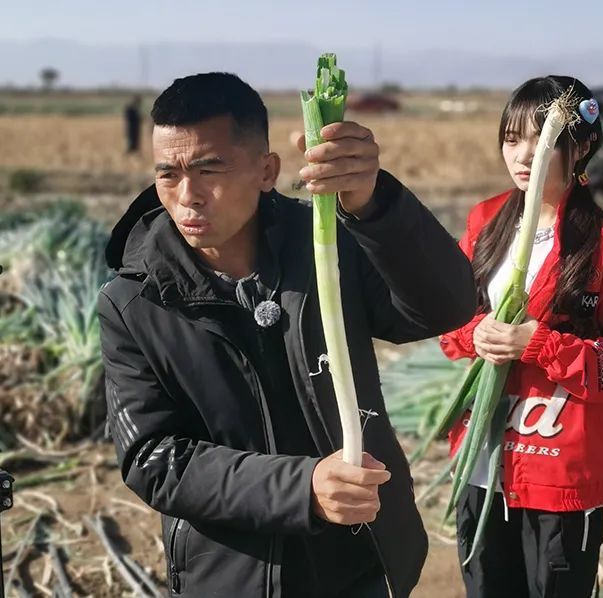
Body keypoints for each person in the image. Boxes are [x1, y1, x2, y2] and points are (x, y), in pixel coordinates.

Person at [99, 72, 477, 598]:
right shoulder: (134, 302)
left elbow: (446, 308)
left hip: (361, 559)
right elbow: (153, 457)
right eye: (169, 174)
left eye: (211, 169)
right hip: (233, 574)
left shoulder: (326, 245)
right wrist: (301, 489)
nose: (189, 197)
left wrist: (373, 204)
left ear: (266, 170)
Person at [439, 75, 603, 598]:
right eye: (511, 137)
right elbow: (447, 317)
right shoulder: (485, 221)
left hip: (561, 473)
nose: (522, 155)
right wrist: (477, 335)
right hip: (482, 464)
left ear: (582, 146)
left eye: (543, 142)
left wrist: (539, 345)